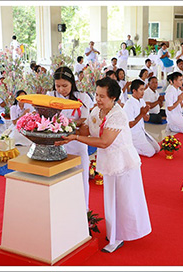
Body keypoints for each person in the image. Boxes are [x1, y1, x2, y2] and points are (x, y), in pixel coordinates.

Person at [57, 77, 151, 253]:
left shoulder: (118, 115)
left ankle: (119, 235)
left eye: (102, 96)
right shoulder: (97, 111)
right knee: (111, 199)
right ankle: (115, 233)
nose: (98, 99)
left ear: (113, 98)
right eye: (97, 95)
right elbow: (87, 128)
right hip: (109, 161)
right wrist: (67, 129)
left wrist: (76, 137)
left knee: (125, 200)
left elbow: (104, 141)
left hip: (123, 161)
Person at [45, 67, 92, 210]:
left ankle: (83, 213)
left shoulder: (82, 97)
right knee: (60, 180)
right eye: (58, 86)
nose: (61, 90)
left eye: (65, 86)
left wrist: (66, 124)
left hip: (77, 144)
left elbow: (85, 119)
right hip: (58, 144)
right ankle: (63, 212)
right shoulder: (50, 95)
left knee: (81, 180)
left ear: (72, 83)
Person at [123, 80, 160, 157]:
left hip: (142, 131)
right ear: (134, 91)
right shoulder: (129, 104)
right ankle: (129, 148)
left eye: (144, 89)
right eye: (141, 90)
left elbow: (146, 119)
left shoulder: (142, 101)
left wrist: (146, 113)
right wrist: (142, 114)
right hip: (134, 134)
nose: (143, 92)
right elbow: (130, 125)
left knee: (157, 148)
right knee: (151, 153)